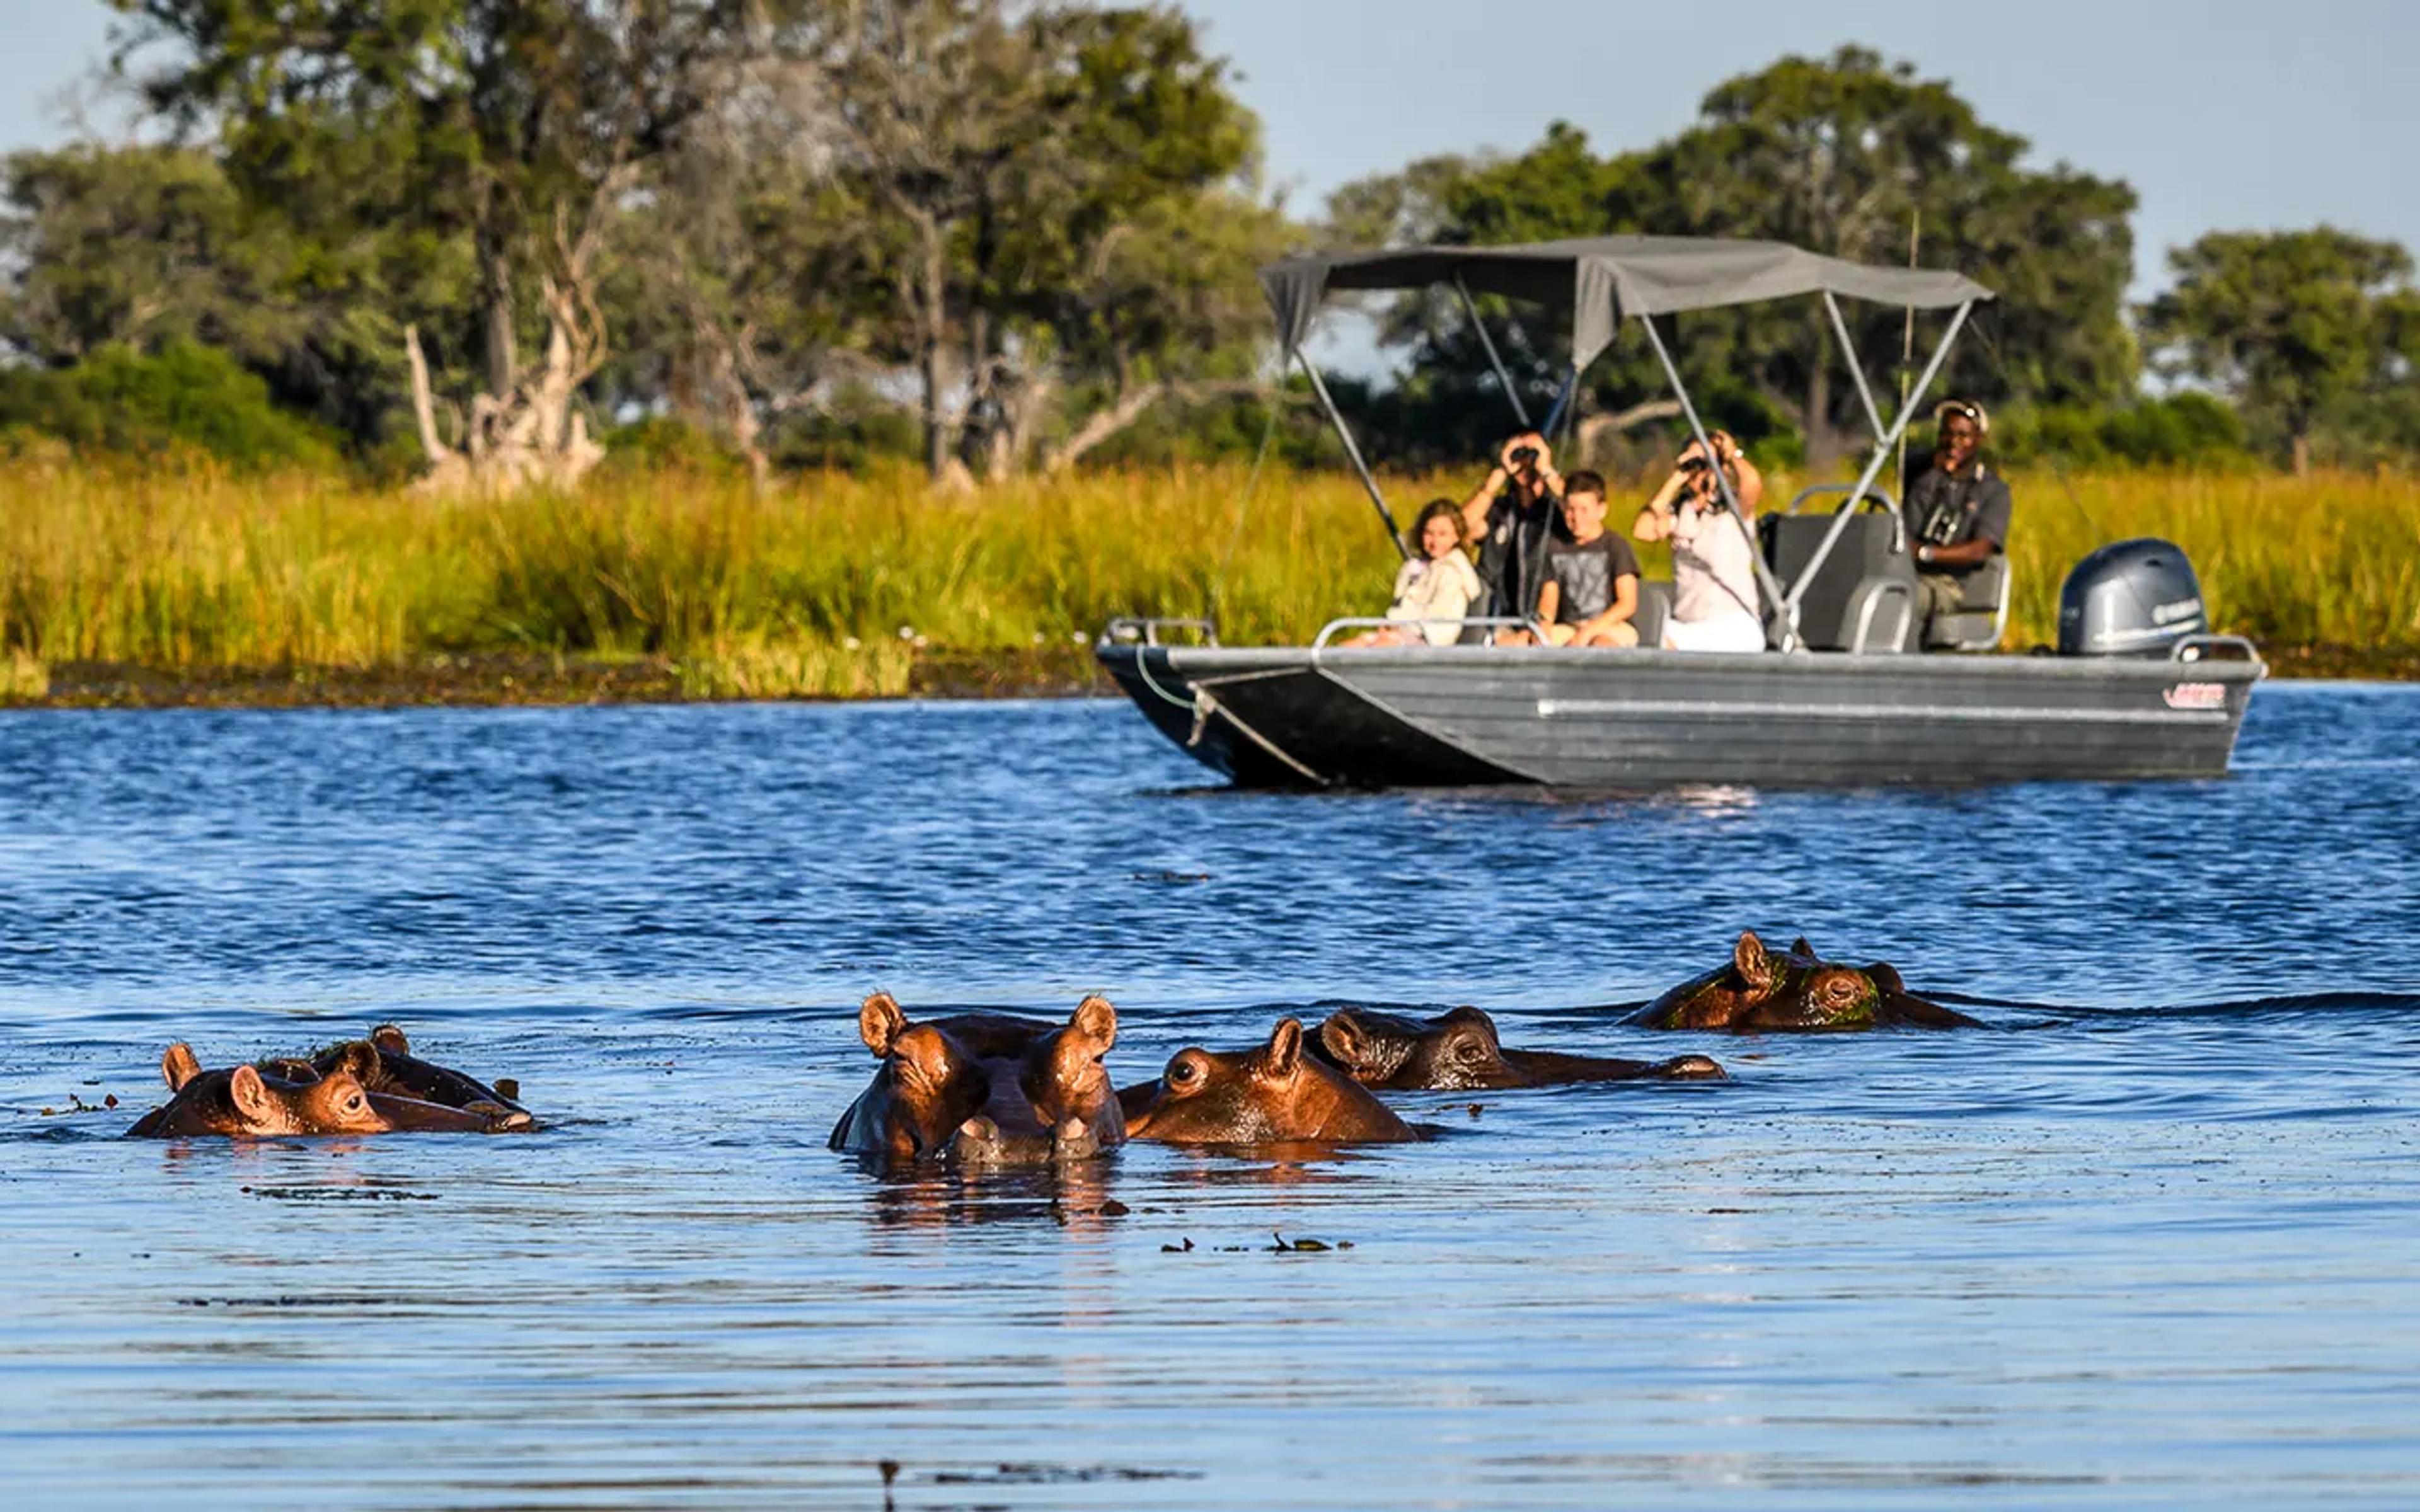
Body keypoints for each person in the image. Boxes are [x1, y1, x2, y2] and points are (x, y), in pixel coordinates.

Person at [1633, 429, 1768, 653]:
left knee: (1661, 646)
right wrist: (1678, 477)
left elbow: (1752, 484)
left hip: (1731, 625)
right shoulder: (1681, 512)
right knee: (1637, 636)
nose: (1700, 470)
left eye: (1706, 462)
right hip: (1686, 624)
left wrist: (1731, 455)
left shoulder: (1733, 510)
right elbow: (1643, 530)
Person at [1903, 399, 2013, 644]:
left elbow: (1980, 551)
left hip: (1950, 585)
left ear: (1979, 438)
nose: (1954, 442)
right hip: (1907, 573)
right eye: (1947, 434)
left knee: (1900, 596)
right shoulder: (1925, 480)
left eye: (1963, 435)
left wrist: (1925, 554)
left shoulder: (1992, 490)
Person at [1461, 430, 1564, 639]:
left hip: (1553, 618)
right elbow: (1460, 529)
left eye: (1532, 453)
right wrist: (1499, 474)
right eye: (1519, 453)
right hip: (1503, 616)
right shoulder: (1500, 510)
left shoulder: (1555, 509)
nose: (1526, 462)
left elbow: (1581, 515)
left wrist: (1546, 469)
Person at [1340, 499, 1484, 648]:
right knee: (1349, 647)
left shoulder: (1453, 571)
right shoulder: (1415, 567)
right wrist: (1389, 624)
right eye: (1429, 533)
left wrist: (1395, 623)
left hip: (1431, 636)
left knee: (1381, 646)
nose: (1435, 541)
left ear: (1456, 536)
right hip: (1402, 630)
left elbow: (1437, 614)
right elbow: (1400, 603)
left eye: (1442, 534)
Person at [1531, 471, 1640, 647]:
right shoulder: (1555, 547)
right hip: (1569, 627)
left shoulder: (1615, 546)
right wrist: (1543, 627)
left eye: (1584, 510)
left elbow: (1627, 604)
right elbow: (1549, 598)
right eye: (1571, 510)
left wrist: (1589, 631)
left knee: (1599, 646)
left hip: (1611, 627)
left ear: (1601, 510)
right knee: (1522, 643)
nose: (1577, 518)